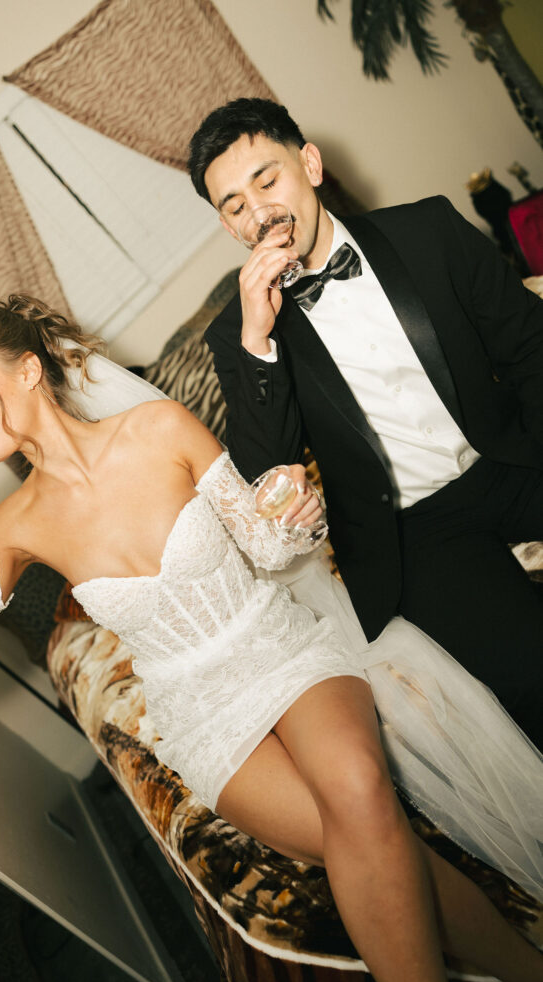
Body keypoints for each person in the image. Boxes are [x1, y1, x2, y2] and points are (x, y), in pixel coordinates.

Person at [0, 296, 542, 982]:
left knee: (359, 794)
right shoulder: (13, 526)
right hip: (198, 709)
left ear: (24, 370)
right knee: (365, 839)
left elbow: (266, 547)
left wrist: (293, 518)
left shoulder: (159, 428)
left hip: (276, 643)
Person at [188, 97, 543, 750]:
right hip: (414, 530)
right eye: (233, 205)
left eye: (266, 179)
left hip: (510, 457)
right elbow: (263, 472)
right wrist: (258, 338)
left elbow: (527, 345)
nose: (258, 210)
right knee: (529, 679)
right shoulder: (238, 332)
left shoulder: (427, 229)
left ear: (310, 164)